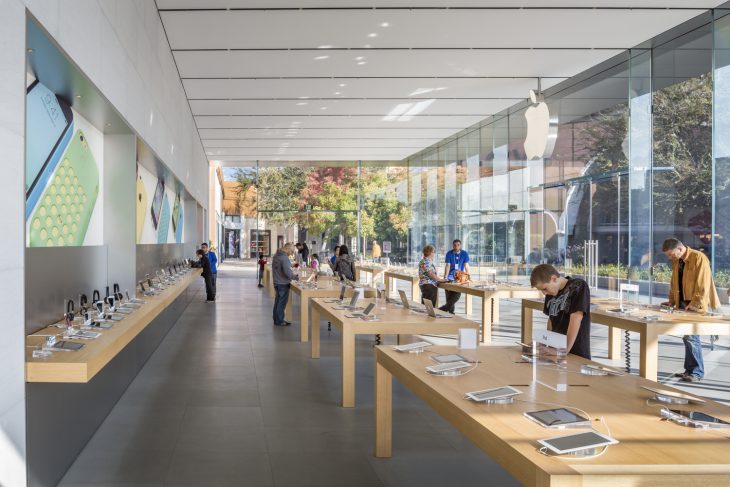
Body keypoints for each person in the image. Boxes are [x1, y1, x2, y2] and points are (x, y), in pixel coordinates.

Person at [662, 238, 720, 382]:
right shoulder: (677, 260)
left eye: (671, 254)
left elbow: (703, 283)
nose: (670, 258)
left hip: (694, 305)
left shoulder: (699, 258)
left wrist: (696, 303)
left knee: (692, 337)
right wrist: (671, 301)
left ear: (680, 249)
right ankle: (689, 370)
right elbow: (674, 282)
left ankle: (696, 372)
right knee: (687, 337)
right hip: (682, 304)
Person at [530, 264, 592, 360]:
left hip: (575, 352)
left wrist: (563, 351)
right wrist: (544, 343)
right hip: (556, 352)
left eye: (544, 289)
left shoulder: (578, 286)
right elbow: (551, 320)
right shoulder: (551, 292)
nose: (544, 293)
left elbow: (576, 319)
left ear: (554, 278)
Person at [440, 239, 471, 314]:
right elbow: (447, 266)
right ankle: (451, 312)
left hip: (459, 277)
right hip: (450, 277)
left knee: (457, 294)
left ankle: (444, 308)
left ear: (460, 246)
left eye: (458, 245)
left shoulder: (464, 254)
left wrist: (468, 277)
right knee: (449, 295)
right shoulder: (449, 254)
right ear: (452, 245)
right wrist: (445, 277)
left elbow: (466, 266)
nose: (456, 246)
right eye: (455, 245)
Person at [272, 242, 297, 326]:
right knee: (281, 303)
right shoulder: (284, 257)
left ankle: (276, 319)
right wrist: (296, 277)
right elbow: (287, 272)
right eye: (292, 251)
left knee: (277, 301)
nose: (292, 253)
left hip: (277, 281)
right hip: (283, 283)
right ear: (287, 248)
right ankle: (280, 320)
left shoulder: (276, 255)